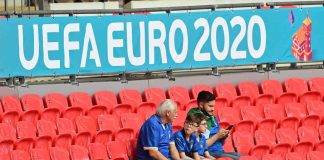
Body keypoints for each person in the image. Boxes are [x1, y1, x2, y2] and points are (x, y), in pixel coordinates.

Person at [188, 91, 240, 160]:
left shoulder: (212, 117)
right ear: (201, 105)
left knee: (240, 155)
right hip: (207, 153)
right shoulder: (195, 119)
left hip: (219, 151)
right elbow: (199, 146)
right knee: (237, 158)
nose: (213, 109)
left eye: (213, 106)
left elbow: (219, 143)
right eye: (210, 106)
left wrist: (223, 136)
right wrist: (217, 136)